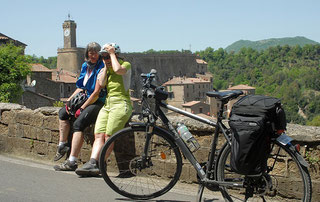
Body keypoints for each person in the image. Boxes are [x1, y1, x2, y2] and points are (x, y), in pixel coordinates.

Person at [75, 43, 132, 176]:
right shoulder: (105, 67)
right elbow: (100, 84)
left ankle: (99, 164)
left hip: (121, 104)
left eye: (107, 56)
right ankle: (93, 163)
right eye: (103, 57)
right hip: (108, 105)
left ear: (116, 55)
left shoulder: (126, 64)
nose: (105, 59)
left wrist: (112, 55)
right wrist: (106, 66)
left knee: (108, 136)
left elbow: (119, 71)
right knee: (99, 134)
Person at [53, 42, 106, 171]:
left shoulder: (101, 67)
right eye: (91, 53)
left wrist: (82, 108)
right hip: (85, 97)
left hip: (97, 101)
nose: (93, 55)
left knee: (78, 124)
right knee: (63, 113)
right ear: (87, 53)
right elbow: (80, 87)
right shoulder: (85, 66)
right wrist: (69, 102)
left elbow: (96, 93)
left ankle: (72, 161)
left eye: (96, 53)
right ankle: (63, 144)